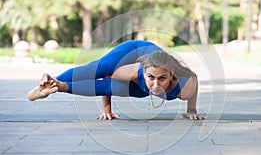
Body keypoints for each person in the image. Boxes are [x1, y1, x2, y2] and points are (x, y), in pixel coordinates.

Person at [27, 40, 205, 120]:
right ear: (144, 74)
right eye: (151, 78)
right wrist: (107, 109)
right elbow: (106, 77)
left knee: (119, 88)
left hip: (147, 77)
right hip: (134, 50)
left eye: (162, 79)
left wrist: (191, 110)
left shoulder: (183, 87)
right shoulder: (134, 72)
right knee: (101, 68)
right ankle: (53, 84)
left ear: (172, 76)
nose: (156, 84)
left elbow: (194, 80)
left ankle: (58, 85)